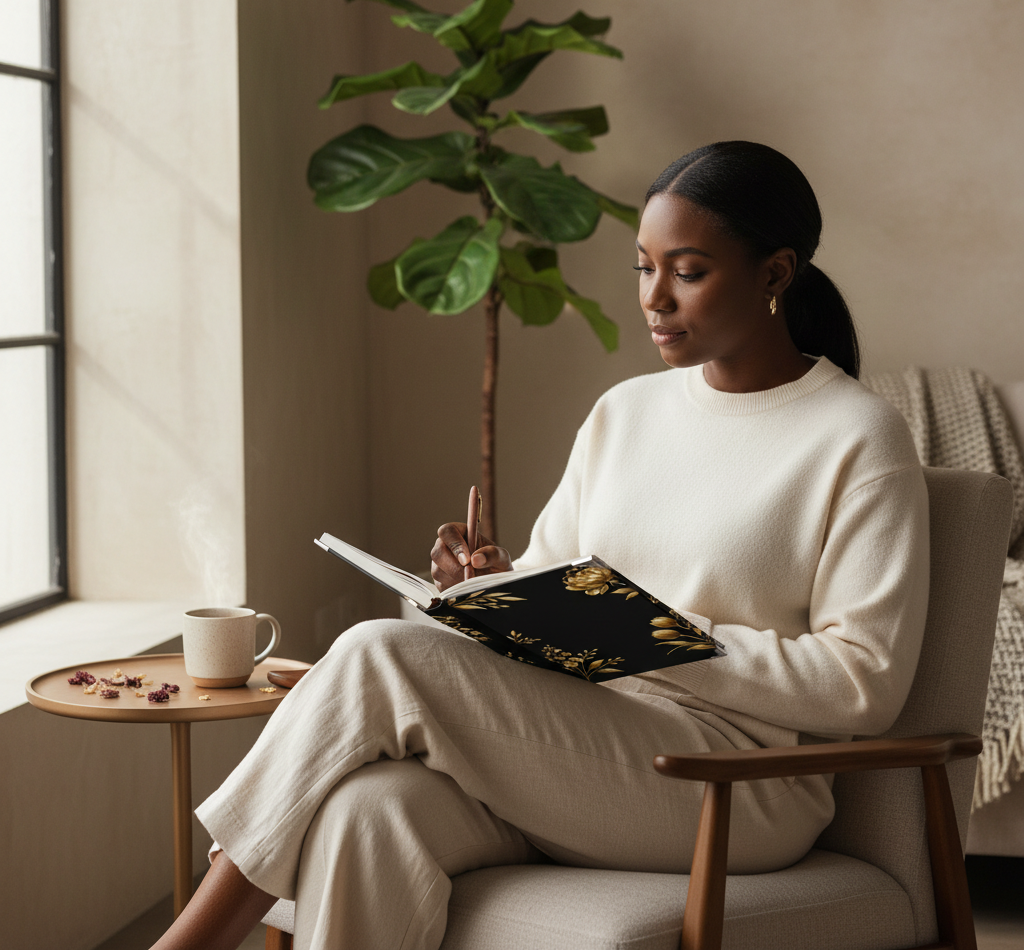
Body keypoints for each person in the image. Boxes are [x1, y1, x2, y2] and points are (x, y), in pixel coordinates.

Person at [151, 141, 929, 950]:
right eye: (642, 268)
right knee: (366, 812)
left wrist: (651, 640)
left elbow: (863, 683)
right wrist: (490, 588)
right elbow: (554, 585)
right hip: (575, 749)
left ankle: (189, 942)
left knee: (379, 654)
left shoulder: (857, 437)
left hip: (734, 784)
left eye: (687, 272)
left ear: (774, 274)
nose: (654, 299)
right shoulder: (624, 413)